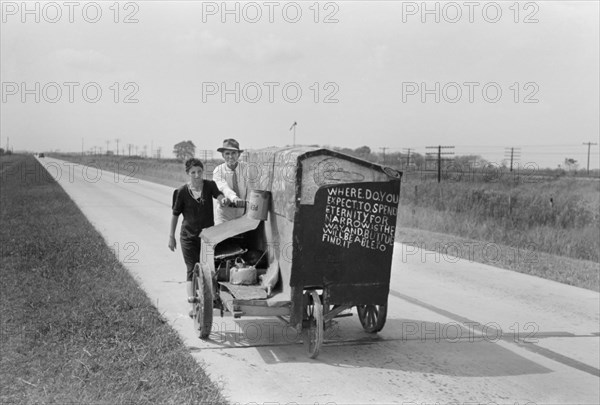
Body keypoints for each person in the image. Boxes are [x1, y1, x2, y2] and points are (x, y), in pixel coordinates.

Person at [168, 158, 225, 314]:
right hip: (188, 237)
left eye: (199, 171)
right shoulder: (181, 192)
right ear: (188, 173)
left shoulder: (209, 186)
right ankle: (193, 302)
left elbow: (218, 194)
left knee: (210, 268)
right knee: (192, 268)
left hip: (207, 236)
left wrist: (223, 200)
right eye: (193, 172)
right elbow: (175, 215)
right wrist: (171, 236)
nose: (197, 175)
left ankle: (212, 297)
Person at [213, 138, 249, 224]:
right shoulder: (218, 170)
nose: (230, 156)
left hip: (242, 213)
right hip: (224, 213)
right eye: (227, 153)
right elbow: (224, 188)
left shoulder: (247, 168)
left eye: (233, 153)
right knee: (222, 237)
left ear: (239, 154)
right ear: (223, 155)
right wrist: (234, 198)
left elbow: (251, 188)